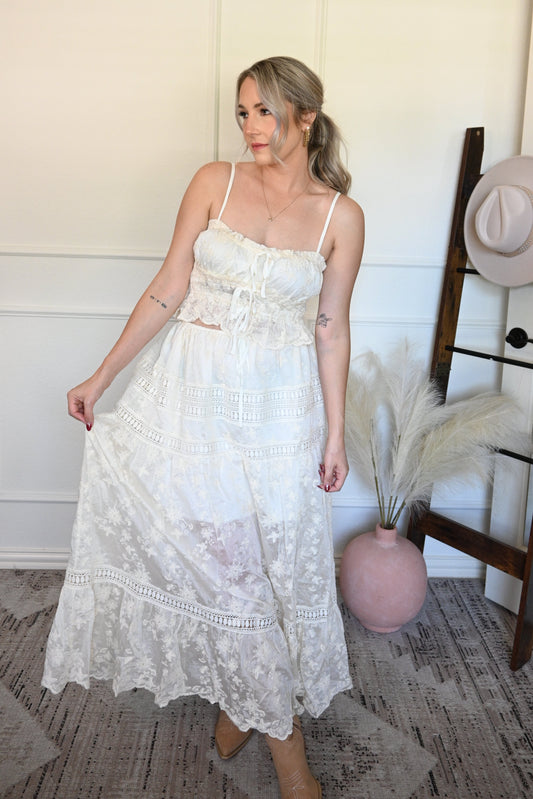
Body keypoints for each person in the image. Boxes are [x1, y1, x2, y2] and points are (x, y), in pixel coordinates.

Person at [42, 56, 364, 799]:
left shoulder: (339, 216)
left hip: (280, 414)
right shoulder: (211, 181)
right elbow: (168, 287)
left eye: (264, 112)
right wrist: (102, 375)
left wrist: (335, 434)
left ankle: (240, 700)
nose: (250, 127)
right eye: (242, 112)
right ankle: (293, 766)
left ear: (306, 118)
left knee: (267, 574)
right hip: (191, 403)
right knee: (233, 575)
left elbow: (330, 330)